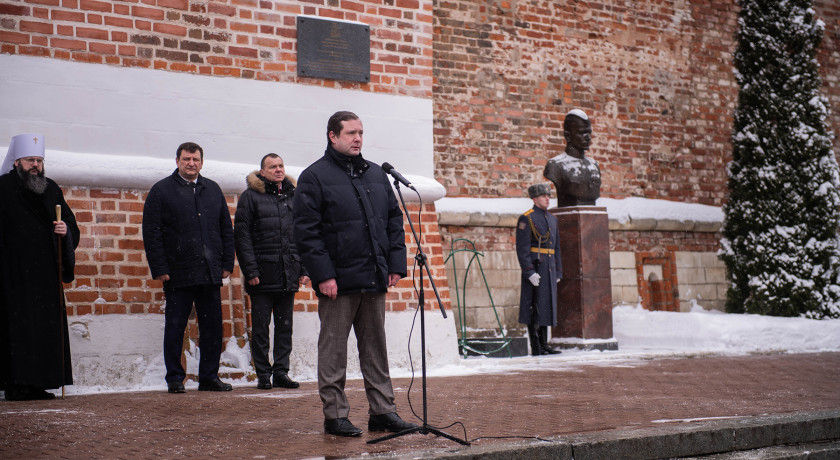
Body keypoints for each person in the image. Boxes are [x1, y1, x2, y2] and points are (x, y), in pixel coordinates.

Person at [294, 111, 418, 437]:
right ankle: (335, 416)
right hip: (337, 282)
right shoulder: (314, 177)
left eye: (360, 132)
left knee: (375, 349)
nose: (358, 138)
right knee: (333, 350)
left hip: (373, 277)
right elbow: (308, 233)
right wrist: (323, 275)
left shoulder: (377, 175)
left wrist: (394, 265)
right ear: (333, 136)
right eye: (350, 133)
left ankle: (383, 411)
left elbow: (393, 222)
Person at [142, 142, 235, 394]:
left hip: (208, 271)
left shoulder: (212, 189)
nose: (191, 163)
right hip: (177, 271)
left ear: (202, 163)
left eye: (195, 159)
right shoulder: (161, 190)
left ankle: (208, 376)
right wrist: (159, 267)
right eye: (186, 159)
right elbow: (152, 233)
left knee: (212, 327)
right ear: (177, 161)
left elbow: (225, 228)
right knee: (175, 326)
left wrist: (226, 263)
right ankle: (174, 377)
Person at [0, 134, 79, 401]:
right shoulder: (2, 188)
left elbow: (70, 222)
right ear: (16, 162)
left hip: (45, 273)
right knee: (17, 329)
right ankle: (15, 384)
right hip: (12, 273)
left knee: (44, 328)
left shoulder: (51, 188)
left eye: (39, 160)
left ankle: (39, 382)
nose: (35, 165)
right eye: (30, 160)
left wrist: (64, 230)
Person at [234, 153, 309, 390]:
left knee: (285, 327)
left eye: (281, 166)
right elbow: (243, 237)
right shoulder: (251, 197)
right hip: (262, 274)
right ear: (262, 172)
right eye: (272, 167)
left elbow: (303, 235)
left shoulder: (294, 197)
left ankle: (281, 373)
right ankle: (263, 374)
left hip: (289, 272)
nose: (278, 170)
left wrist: (304, 267)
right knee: (261, 328)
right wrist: (251, 270)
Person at [515, 183, 562, 356]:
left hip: (549, 268)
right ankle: (536, 346)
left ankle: (544, 344)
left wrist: (558, 271)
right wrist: (529, 271)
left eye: (548, 195)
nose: (547, 198)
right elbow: (522, 248)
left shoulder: (552, 219)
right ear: (535, 199)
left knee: (547, 306)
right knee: (535, 307)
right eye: (543, 196)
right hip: (536, 267)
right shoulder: (526, 218)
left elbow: (556, 248)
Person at [543, 109, 601, 207]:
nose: (588, 137)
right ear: (568, 135)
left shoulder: (594, 165)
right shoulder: (556, 165)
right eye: (582, 133)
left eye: (589, 132)